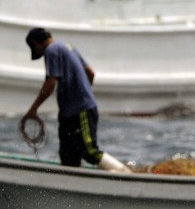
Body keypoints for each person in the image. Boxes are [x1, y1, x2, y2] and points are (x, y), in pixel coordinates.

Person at [20, 28, 129, 172]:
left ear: (36, 44)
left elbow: (50, 83)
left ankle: (126, 174)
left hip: (80, 111)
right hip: (70, 113)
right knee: (68, 156)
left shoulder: (51, 51)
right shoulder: (68, 47)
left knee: (88, 150)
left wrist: (33, 109)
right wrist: (82, 92)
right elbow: (90, 73)